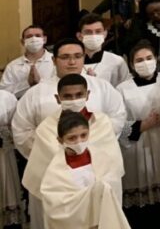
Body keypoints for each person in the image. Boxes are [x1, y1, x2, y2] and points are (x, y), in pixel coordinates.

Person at [21, 73, 124, 229]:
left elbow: (112, 163)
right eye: (67, 96)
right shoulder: (46, 128)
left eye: (79, 95)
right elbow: (41, 171)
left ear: (87, 95)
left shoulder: (102, 122)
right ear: (58, 98)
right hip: (65, 202)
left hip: (100, 195)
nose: (74, 100)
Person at [12, 39, 127, 163]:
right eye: (65, 57)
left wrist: (86, 143)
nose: (72, 62)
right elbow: (22, 129)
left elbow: (117, 117)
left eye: (78, 56)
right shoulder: (35, 93)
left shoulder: (102, 87)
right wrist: (54, 149)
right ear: (54, 60)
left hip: (96, 158)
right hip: (52, 162)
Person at [39, 110, 131, 229]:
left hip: (102, 219)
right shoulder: (55, 171)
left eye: (83, 135)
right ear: (60, 140)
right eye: (72, 138)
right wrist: (92, 192)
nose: (79, 141)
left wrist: (102, 190)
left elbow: (114, 187)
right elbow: (55, 207)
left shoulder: (102, 158)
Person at [117, 41, 160, 225]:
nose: (145, 62)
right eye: (139, 60)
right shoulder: (123, 89)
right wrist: (143, 124)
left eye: (149, 58)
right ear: (132, 65)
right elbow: (116, 125)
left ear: (156, 59)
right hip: (138, 148)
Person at [0, 25, 54, 99]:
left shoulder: (55, 61)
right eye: (29, 36)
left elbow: (62, 86)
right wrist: (26, 84)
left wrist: (40, 82)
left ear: (44, 39)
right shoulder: (13, 66)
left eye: (38, 36)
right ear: (22, 41)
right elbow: (4, 93)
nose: (34, 39)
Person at [76, 14, 129, 86]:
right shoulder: (72, 62)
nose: (93, 35)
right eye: (88, 32)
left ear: (105, 34)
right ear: (79, 36)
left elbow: (125, 88)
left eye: (98, 31)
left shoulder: (117, 61)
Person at [0, 88, 25, 228]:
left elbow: (17, 127)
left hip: (3, 155)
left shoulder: (6, 98)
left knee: (7, 190)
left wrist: (5, 136)